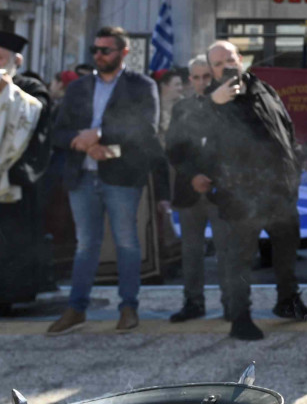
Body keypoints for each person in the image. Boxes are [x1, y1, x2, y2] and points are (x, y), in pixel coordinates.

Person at [48, 26, 161, 335]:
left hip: (122, 176)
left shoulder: (142, 86)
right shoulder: (78, 88)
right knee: (85, 244)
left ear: (124, 52)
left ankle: (128, 307)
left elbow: (145, 129)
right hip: (82, 175)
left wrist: (100, 137)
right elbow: (58, 132)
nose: (98, 55)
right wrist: (78, 141)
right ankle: (76, 308)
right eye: (95, 50)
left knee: (126, 242)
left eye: (105, 50)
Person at [201, 39, 307, 340]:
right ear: (212, 71)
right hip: (241, 194)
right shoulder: (211, 101)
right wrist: (215, 104)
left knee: (286, 251)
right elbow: (196, 137)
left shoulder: (264, 88)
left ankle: (288, 301)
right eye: (217, 64)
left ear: (240, 58)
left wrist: (295, 159)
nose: (225, 66)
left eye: (229, 59)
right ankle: (240, 316)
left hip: (280, 189)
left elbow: (285, 127)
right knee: (240, 259)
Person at [162, 56, 219, 324]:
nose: (201, 83)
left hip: (222, 191)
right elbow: (173, 149)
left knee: (230, 251)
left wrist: (214, 177)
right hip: (189, 189)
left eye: (206, 77)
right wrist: (194, 175)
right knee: (191, 252)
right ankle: (193, 302)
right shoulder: (181, 108)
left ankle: (234, 304)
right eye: (195, 78)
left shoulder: (229, 106)